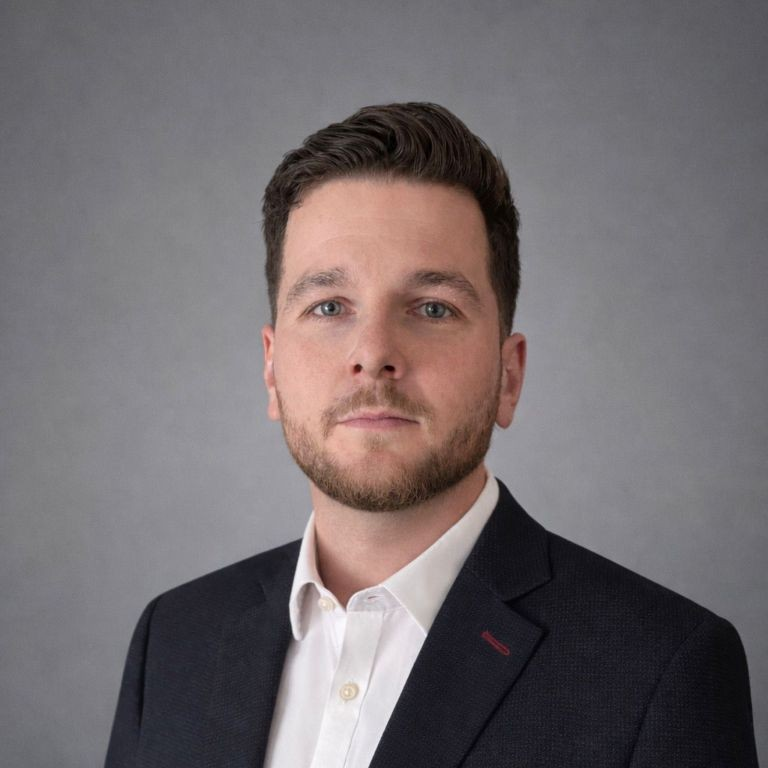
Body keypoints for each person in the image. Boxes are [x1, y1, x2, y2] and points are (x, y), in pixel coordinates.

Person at [105, 103, 758, 768]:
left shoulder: (661, 671)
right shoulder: (174, 640)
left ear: (508, 375)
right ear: (271, 370)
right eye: (328, 306)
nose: (374, 353)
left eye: (433, 308)